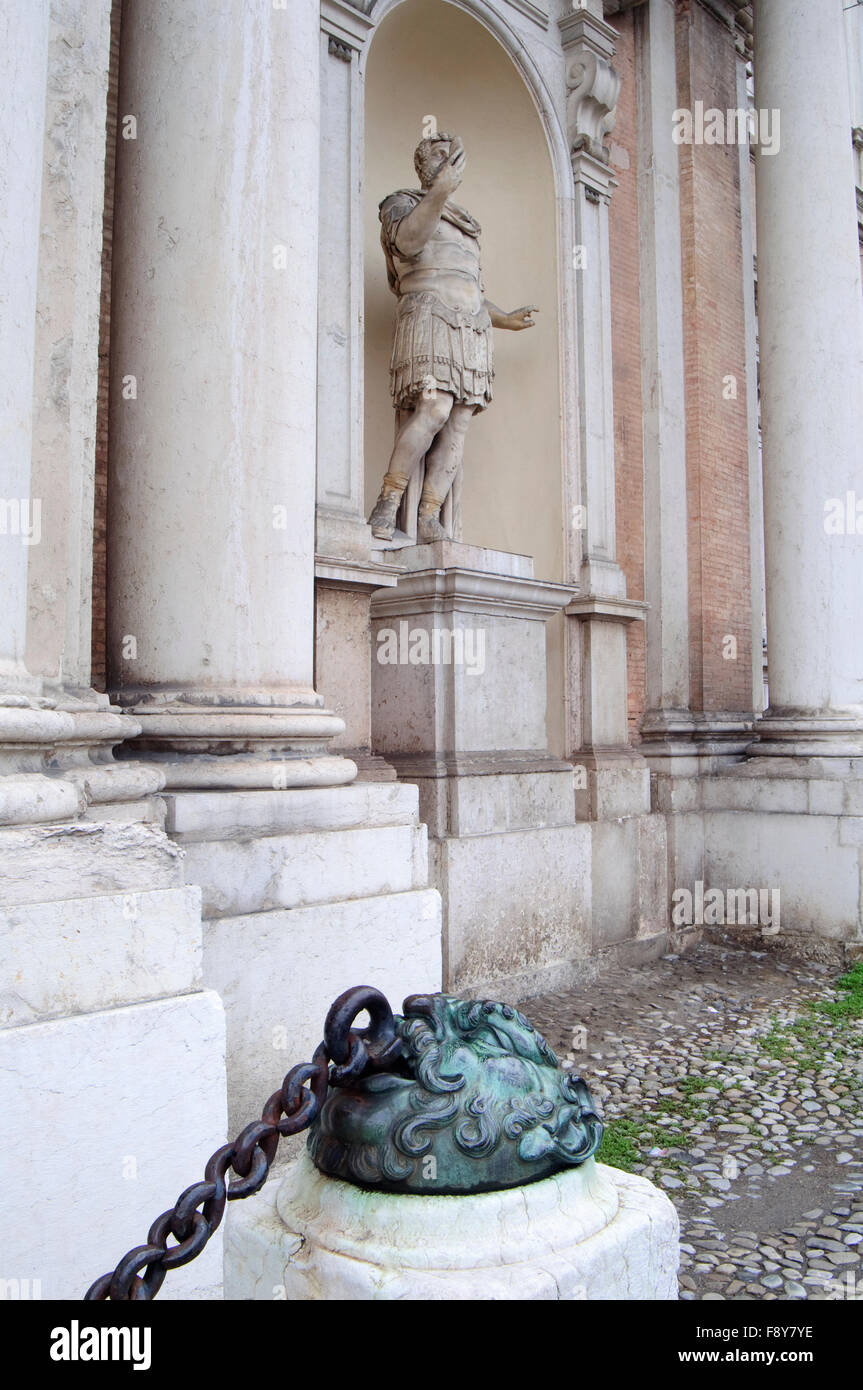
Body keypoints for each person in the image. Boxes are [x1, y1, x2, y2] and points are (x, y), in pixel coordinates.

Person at [368, 133, 538, 543]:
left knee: (459, 422)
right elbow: (408, 244)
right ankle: (388, 501)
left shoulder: (467, 224)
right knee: (434, 409)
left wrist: (505, 319)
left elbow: (470, 287)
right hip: (430, 317)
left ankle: (429, 515)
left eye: (452, 157)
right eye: (440, 156)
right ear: (424, 166)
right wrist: (439, 194)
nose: (449, 163)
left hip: (472, 327)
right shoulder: (403, 203)